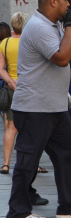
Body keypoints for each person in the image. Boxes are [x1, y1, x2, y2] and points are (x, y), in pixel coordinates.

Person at [5, 0, 71, 218]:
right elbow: (61, 57)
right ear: (53, 1)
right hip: (34, 107)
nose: (69, 3)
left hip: (55, 105)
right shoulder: (38, 27)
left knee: (67, 154)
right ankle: (17, 212)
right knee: (28, 160)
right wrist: (70, 26)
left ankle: (68, 206)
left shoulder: (53, 25)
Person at [0, 13, 28, 175]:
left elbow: (1, 68)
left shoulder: (5, 42)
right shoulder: (29, 42)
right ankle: (34, 164)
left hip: (13, 89)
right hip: (29, 88)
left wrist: (10, 81)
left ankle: (5, 164)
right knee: (31, 127)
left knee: (11, 127)